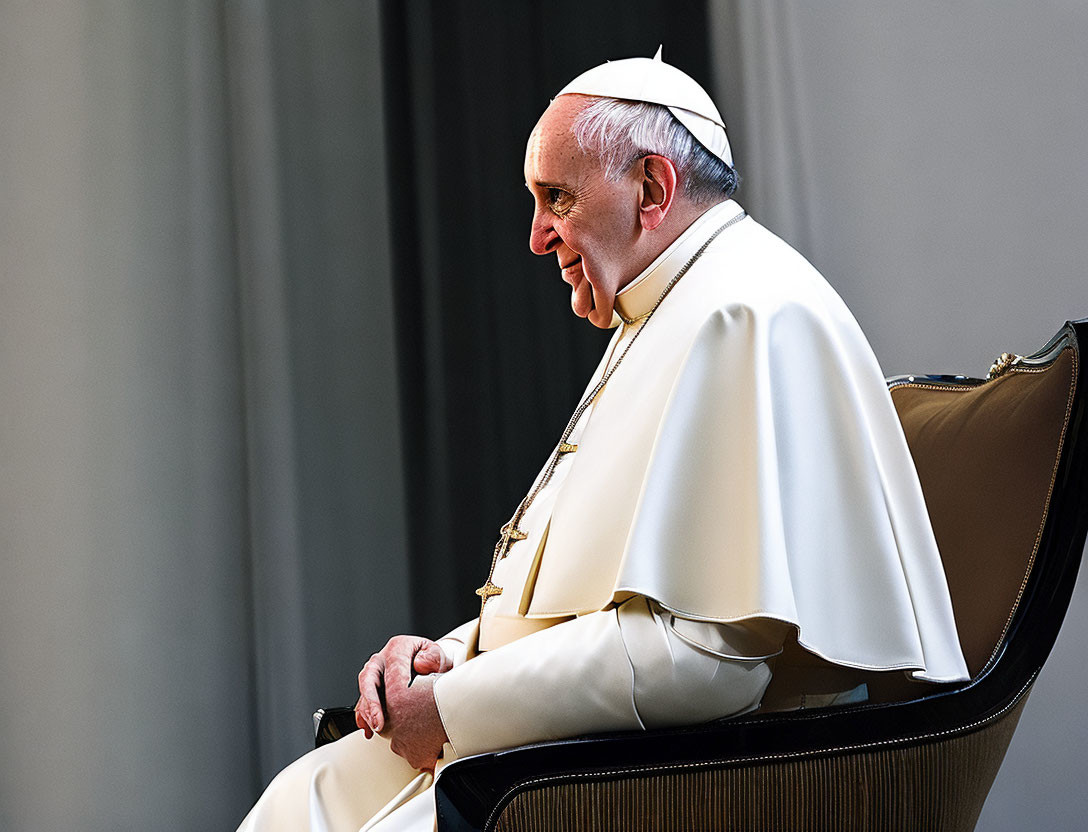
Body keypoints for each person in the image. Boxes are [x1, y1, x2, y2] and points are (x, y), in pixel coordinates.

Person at [236, 50, 970, 832]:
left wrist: (453, 705)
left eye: (558, 198)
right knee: (298, 799)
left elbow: (708, 662)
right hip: (564, 745)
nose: (536, 237)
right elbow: (581, 609)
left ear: (651, 189)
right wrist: (447, 658)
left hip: (665, 779)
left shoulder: (743, 314)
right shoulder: (663, 303)